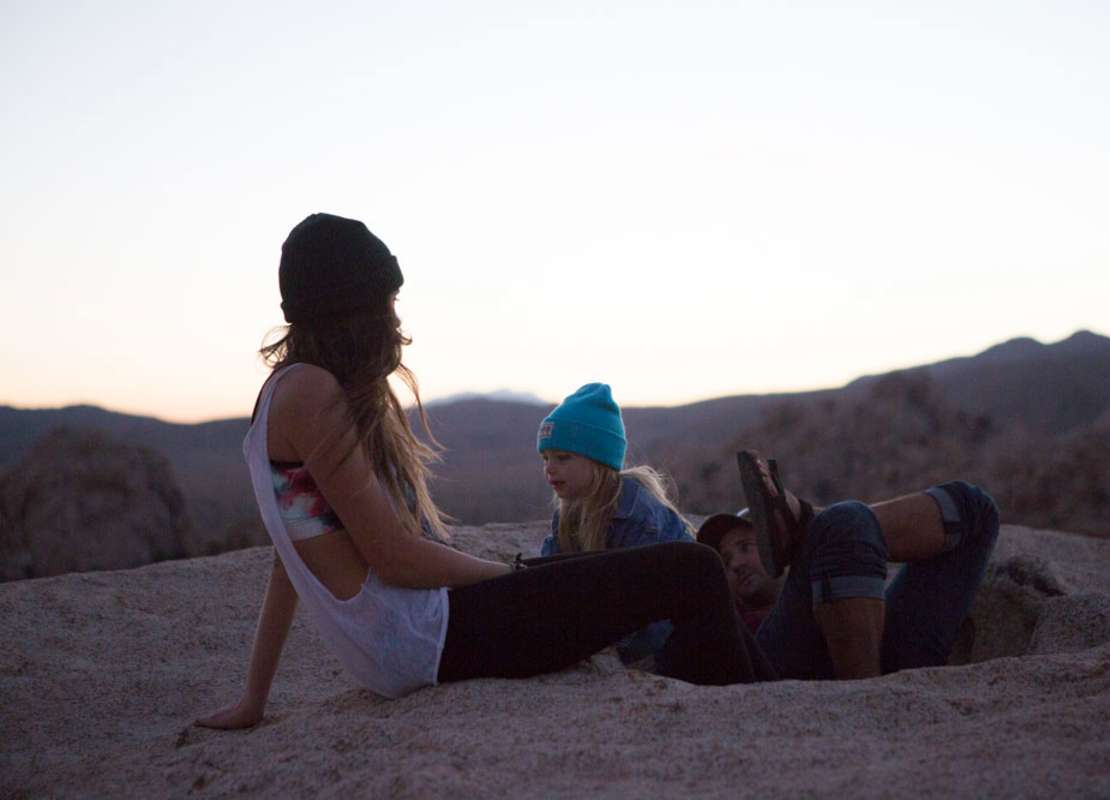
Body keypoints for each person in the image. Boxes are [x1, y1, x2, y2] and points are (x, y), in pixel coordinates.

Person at [194, 213, 768, 730]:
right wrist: (509, 578)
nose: (395, 320)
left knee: (637, 572)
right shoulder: (314, 392)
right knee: (692, 568)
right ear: (350, 310)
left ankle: (767, 685)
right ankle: (756, 719)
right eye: (385, 303)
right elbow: (393, 555)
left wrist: (254, 700)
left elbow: (286, 555)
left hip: (407, 647)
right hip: (434, 637)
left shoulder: (279, 394)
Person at [696, 451, 999, 679]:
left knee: (975, 507)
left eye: (745, 547)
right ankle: (806, 519)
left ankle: (809, 522)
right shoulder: (734, 624)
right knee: (843, 521)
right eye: (724, 562)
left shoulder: (831, 571)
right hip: (782, 661)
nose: (735, 564)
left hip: (884, 652)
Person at [535, 383, 694, 663]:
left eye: (562, 457)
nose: (549, 467)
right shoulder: (570, 510)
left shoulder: (639, 516)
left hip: (676, 640)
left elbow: (655, 613)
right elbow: (549, 578)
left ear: (598, 460)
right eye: (545, 458)